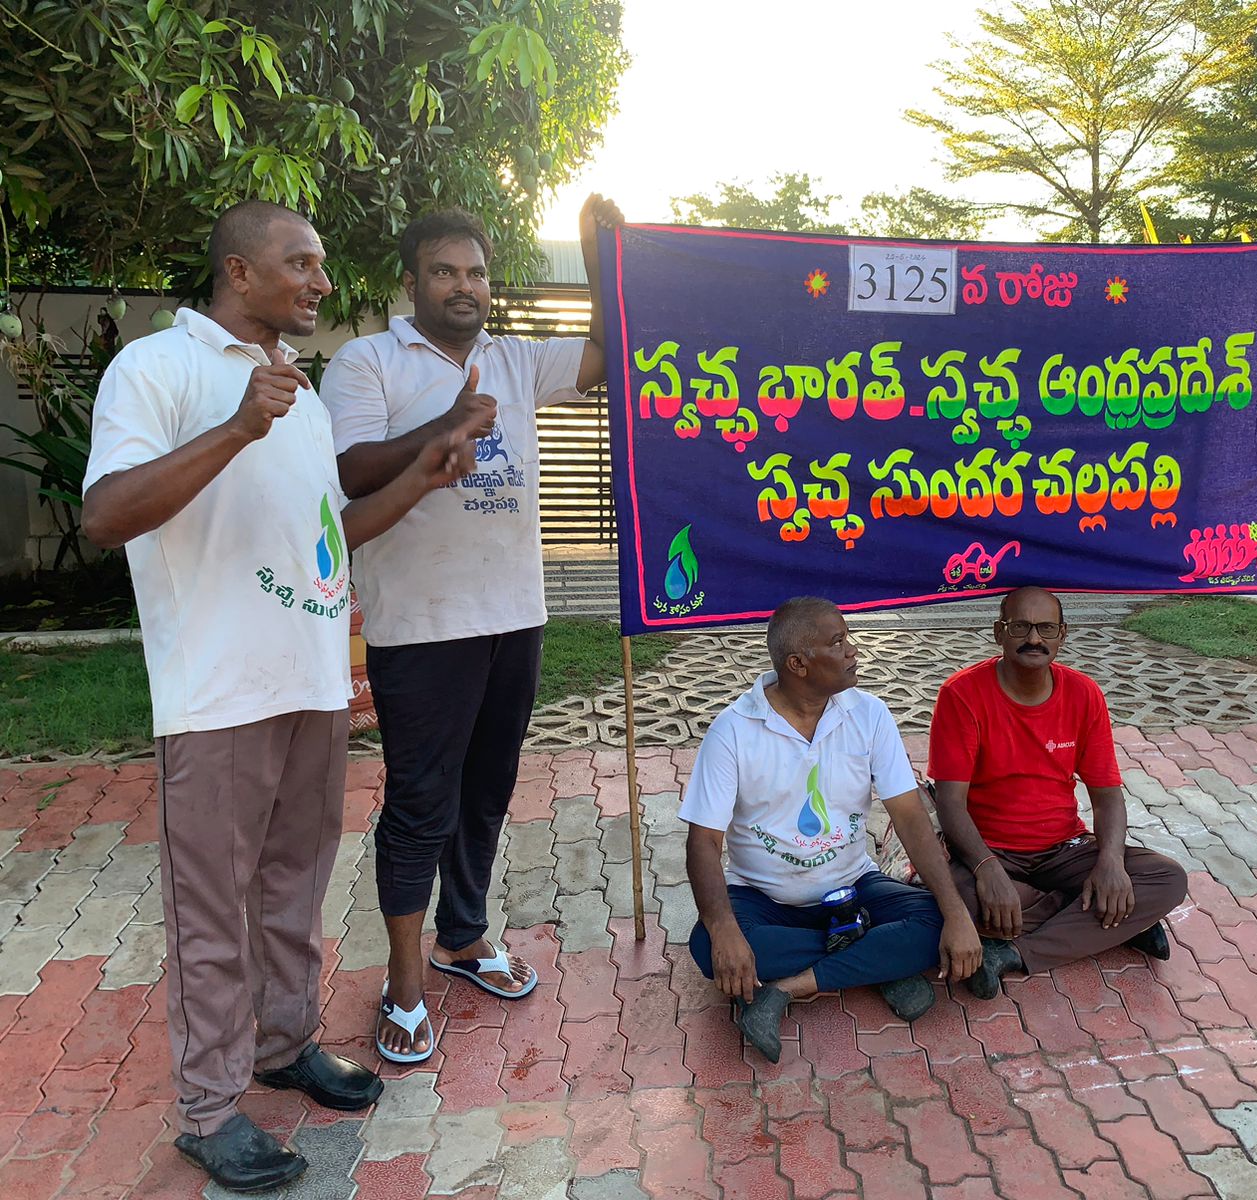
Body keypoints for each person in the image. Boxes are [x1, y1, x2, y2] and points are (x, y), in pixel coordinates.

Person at [81, 201, 469, 1192]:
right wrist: (236, 427)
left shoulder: (302, 391)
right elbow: (106, 516)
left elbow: (331, 533)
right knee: (213, 914)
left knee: (294, 889)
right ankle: (210, 1111)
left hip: (310, 686)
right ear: (239, 272)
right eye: (301, 262)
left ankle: (283, 1044)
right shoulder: (159, 369)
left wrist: (423, 476)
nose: (321, 282)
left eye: (321, 264)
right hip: (216, 697)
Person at [318, 197, 623, 1063]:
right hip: (421, 626)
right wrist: (445, 429)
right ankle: (404, 982)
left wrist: (601, 258)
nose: (465, 286)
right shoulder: (367, 361)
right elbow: (351, 468)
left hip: (514, 615)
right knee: (421, 802)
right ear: (410, 282)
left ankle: (462, 936)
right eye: (445, 271)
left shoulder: (516, 358)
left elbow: (611, 353)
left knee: (487, 790)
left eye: (477, 272)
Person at [682, 597, 983, 1062]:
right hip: (764, 899)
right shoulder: (733, 731)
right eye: (838, 642)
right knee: (707, 947)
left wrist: (956, 912)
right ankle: (875, 959)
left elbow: (909, 816)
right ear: (798, 664)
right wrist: (724, 929)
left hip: (854, 887)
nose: (852, 651)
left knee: (947, 918)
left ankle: (789, 987)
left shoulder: (869, 714)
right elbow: (703, 841)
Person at [928, 587, 1189, 999]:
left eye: (1046, 628)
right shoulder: (961, 694)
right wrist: (987, 868)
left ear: (1062, 634)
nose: (1034, 639)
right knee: (958, 899)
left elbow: (1107, 796)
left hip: (1064, 849)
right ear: (999, 632)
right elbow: (949, 803)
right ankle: (1113, 922)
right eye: (1020, 627)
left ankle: (1014, 952)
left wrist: (1110, 863)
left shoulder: (1084, 694)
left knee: (1168, 878)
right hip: (989, 850)